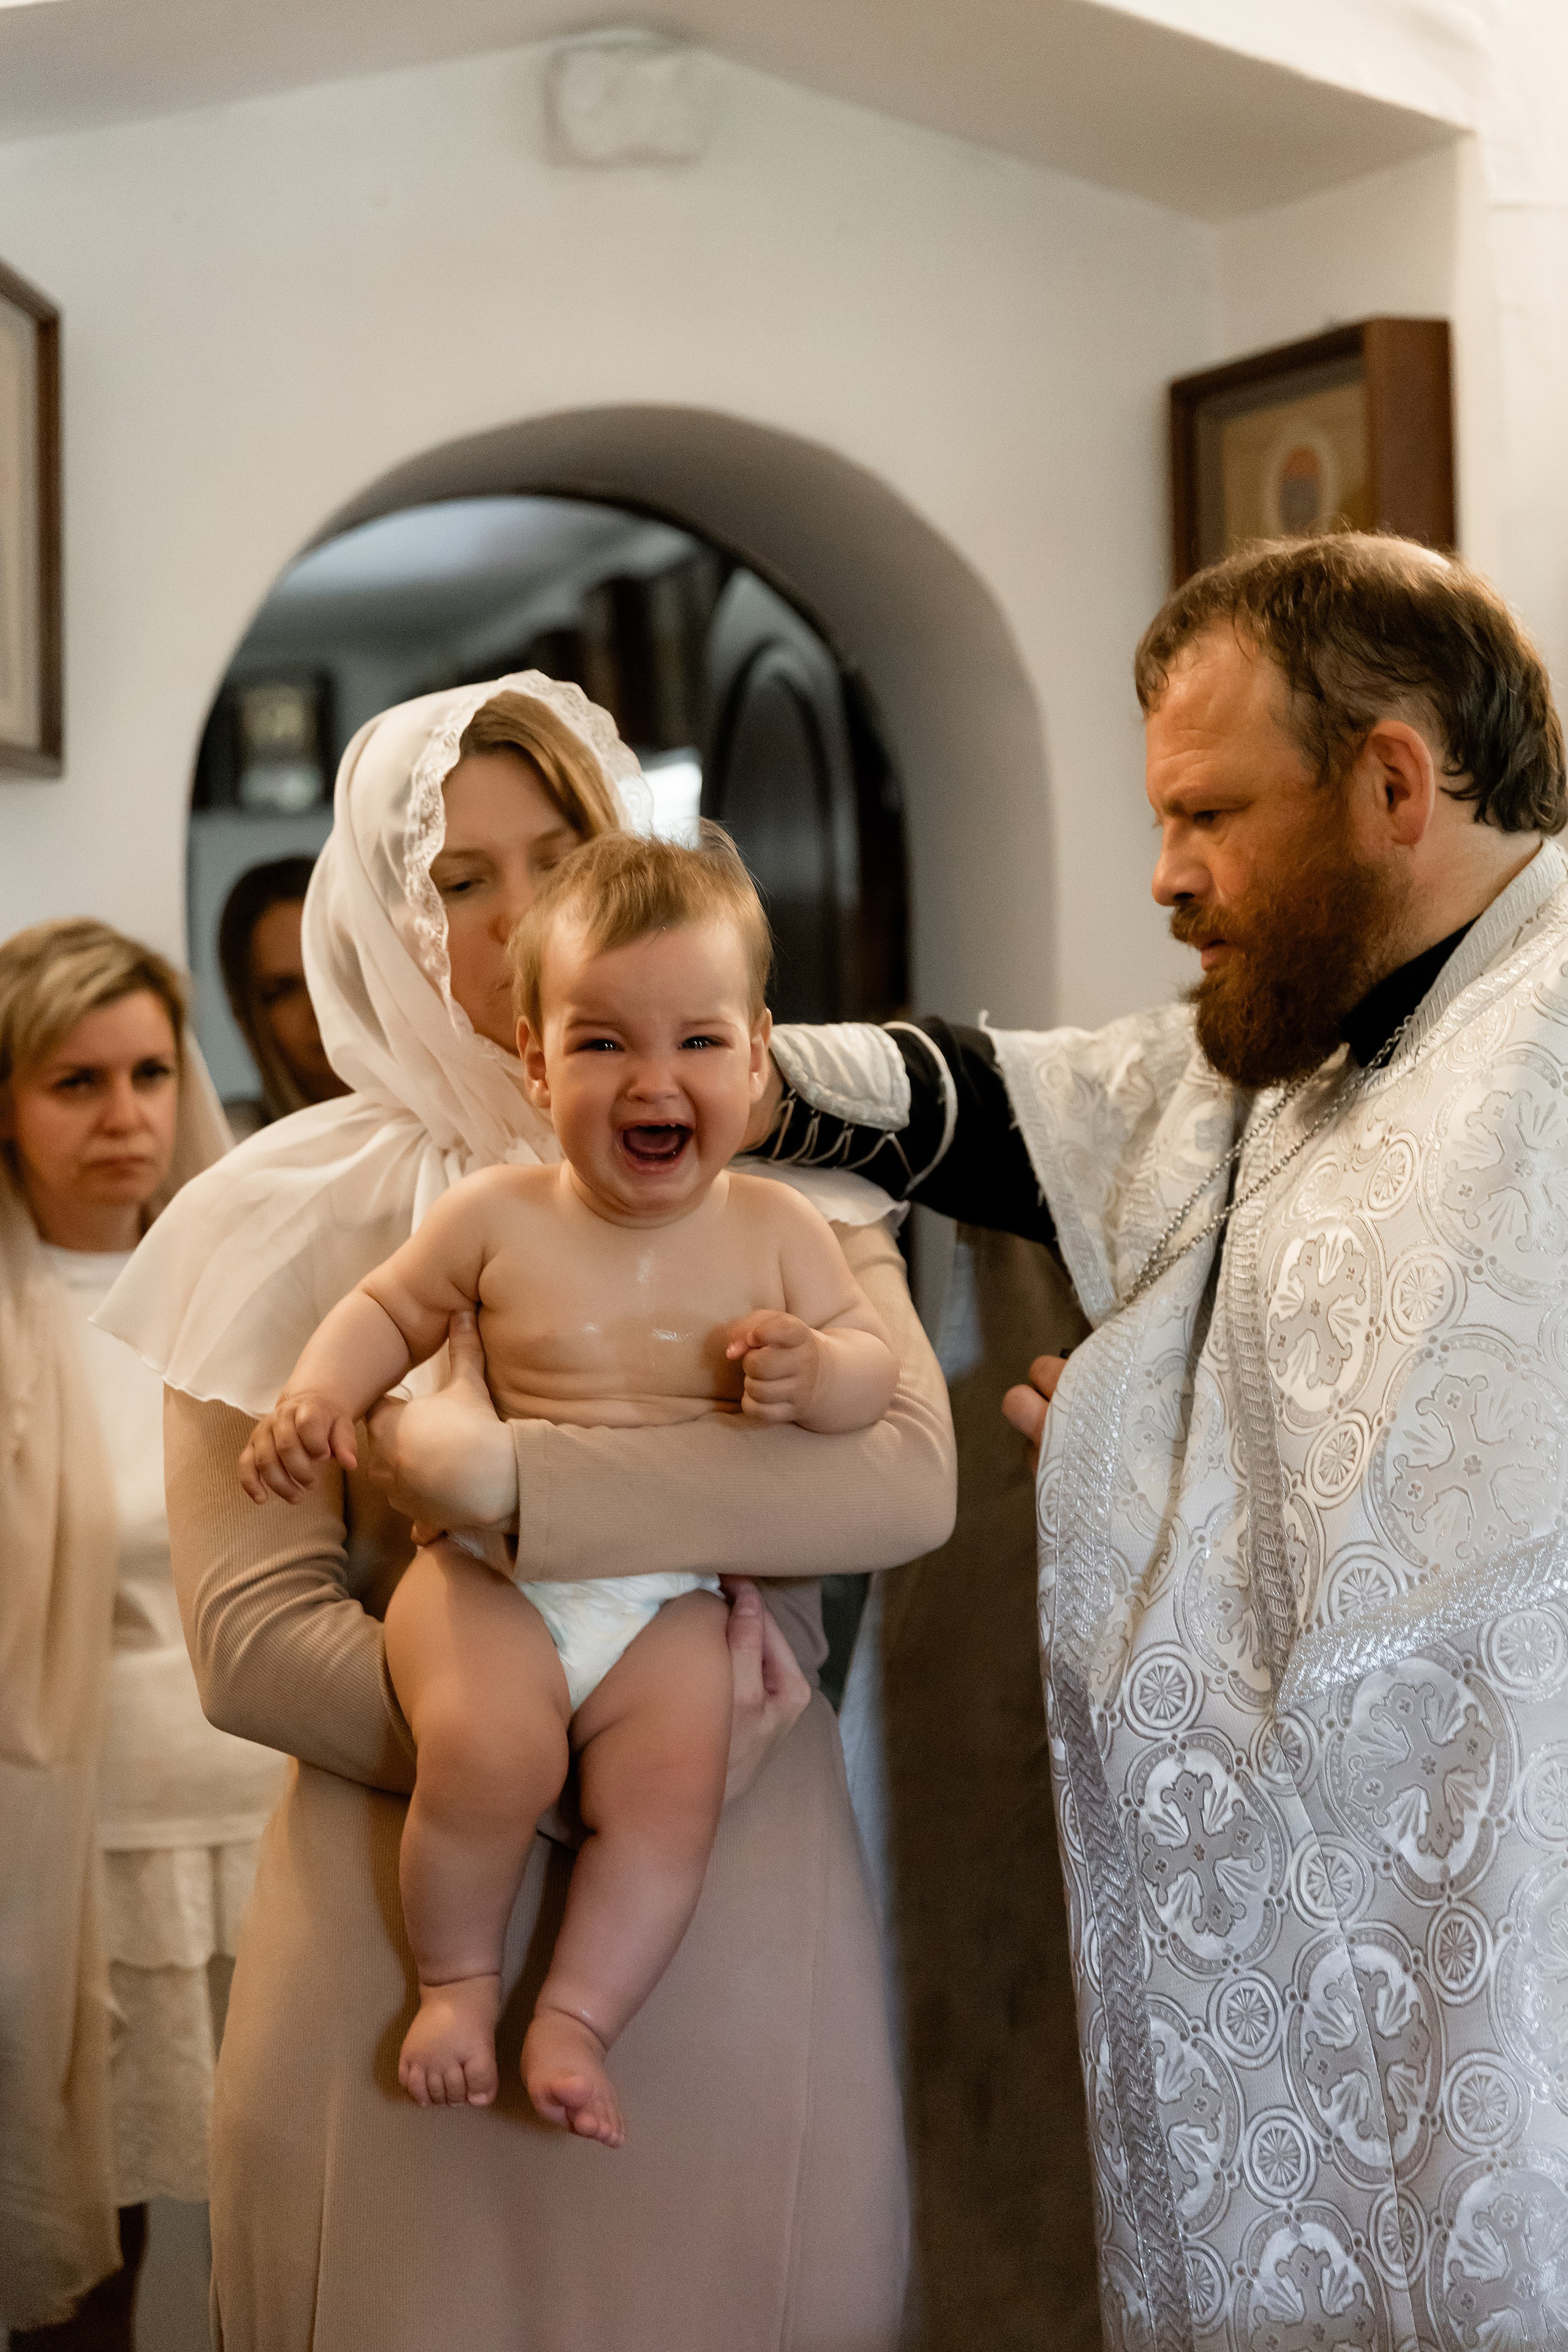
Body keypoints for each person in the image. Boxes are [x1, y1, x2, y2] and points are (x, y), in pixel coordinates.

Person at [750, 535, 1568, 2346]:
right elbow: (1044, 1105)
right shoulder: (1330, 1048)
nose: (1165, 874)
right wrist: (727, 1069)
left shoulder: (1542, 1041)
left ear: (1390, 782)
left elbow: (1466, 1479)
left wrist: (1129, 1430)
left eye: (1206, 812)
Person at [99, 673, 956, 2351]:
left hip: (730, 1873)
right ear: (375, 914)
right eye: (456, 880)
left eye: (554, 851)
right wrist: (544, 1743)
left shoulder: (778, 1185)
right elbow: (254, 1641)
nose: (512, 922)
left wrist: (521, 1496)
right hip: (405, 1914)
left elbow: (899, 1479)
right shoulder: (267, 1221)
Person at [241, 828, 902, 2139]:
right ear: (536, 1063)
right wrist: (318, 1392)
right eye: (601, 1044)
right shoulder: (497, 1215)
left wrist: (815, 1374)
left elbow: (877, 1373)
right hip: (488, 1577)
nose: (653, 1079)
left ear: (756, 1053)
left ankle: (579, 2014)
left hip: (666, 1602)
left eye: (697, 1043)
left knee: (669, 1797)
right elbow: (388, 1309)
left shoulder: (779, 1228)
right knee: (489, 1748)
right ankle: (457, 1980)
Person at [0, 919, 281, 2346]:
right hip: (70, 1840)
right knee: (78, 2252)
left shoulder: (245, 1289)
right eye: (74, 1081)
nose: (126, 1118)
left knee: (297, 2227)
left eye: (150, 1073)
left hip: (267, 1806)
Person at [216, 855, 349, 1131]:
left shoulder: (450, 1135)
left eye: (334, 974)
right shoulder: (224, 1151)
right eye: (284, 991)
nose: (318, 1008)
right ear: (244, 1014)